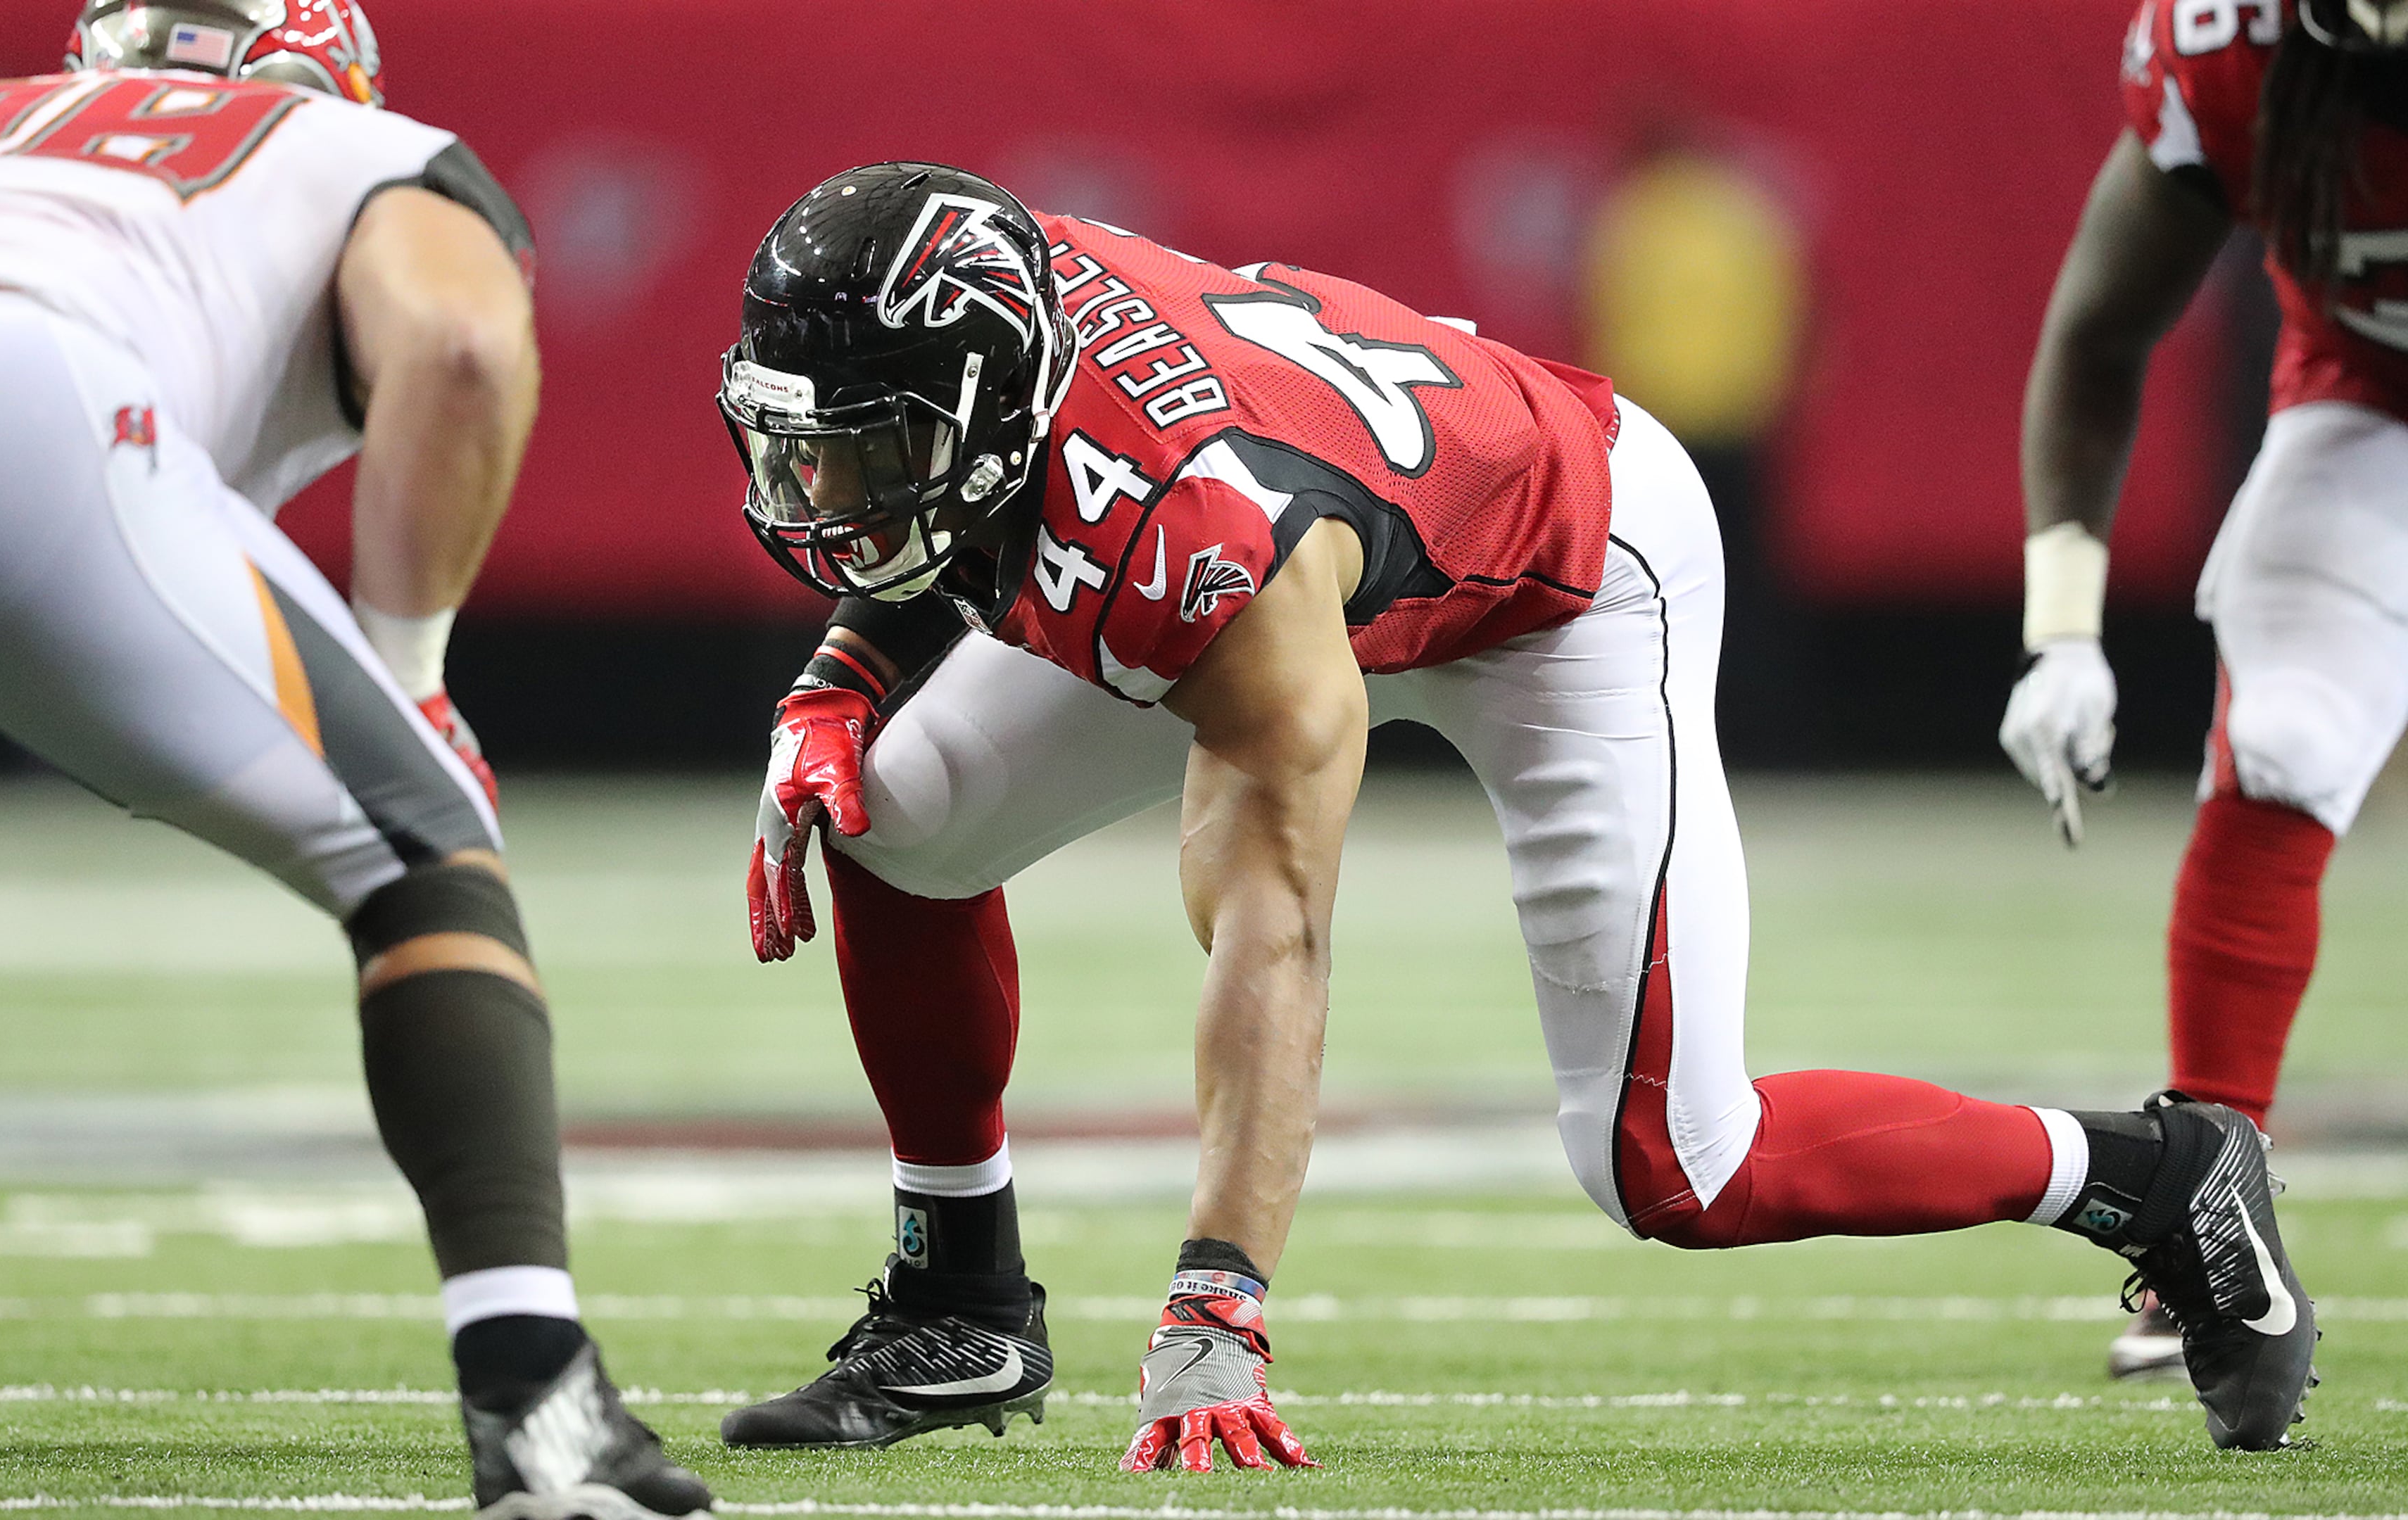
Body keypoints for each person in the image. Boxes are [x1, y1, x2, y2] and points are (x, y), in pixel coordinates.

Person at [717, 162, 2318, 1469]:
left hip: (1565, 579)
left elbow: (1273, 927)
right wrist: (837, 690)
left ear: (996, 400)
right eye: (810, 449)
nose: (824, 495)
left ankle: (2151, 1173)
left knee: (1682, 1168)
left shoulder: (1201, 532)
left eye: (861, 452)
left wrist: (1218, 1306)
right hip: (1348, 526)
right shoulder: (1025, 309)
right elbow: (965, 510)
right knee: (889, 811)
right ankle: (962, 1302)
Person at [0, 3, 712, 1513]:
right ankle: (539, 1408)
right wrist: (411, 674)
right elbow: (456, 339)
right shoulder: (350, 146)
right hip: (21, 401)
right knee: (424, 849)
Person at [2000, 0, 2408, 1381]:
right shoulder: (2228, 55)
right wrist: (2063, 633)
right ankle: (2205, 1223)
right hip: (2376, 406)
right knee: (2284, 742)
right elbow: (2099, 334)